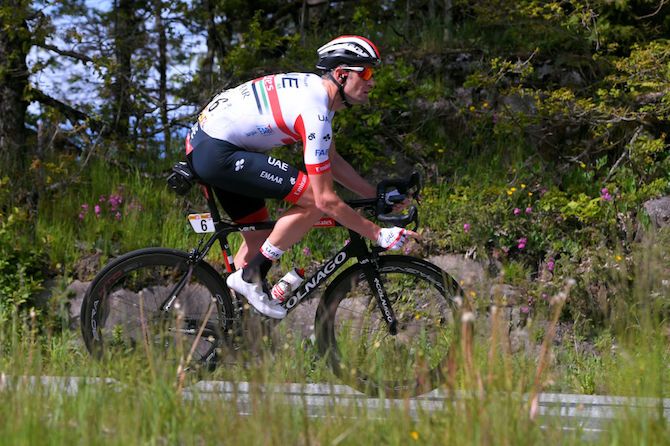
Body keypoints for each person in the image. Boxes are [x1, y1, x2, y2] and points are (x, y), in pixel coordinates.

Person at [185, 35, 417, 319]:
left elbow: (331, 160)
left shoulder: (319, 96)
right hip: (217, 150)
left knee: (259, 239)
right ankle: (249, 278)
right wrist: (377, 233)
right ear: (342, 75)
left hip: (210, 144)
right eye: (366, 72)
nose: (372, 82)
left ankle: (233, 329)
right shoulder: (315, 111)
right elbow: (325, 199)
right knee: (314, 200)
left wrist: (373, 195)